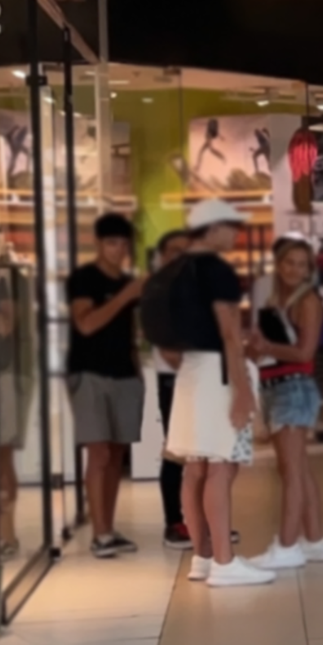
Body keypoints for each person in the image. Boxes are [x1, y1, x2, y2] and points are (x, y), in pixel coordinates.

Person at [154, 199, 273, 589]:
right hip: (219, 371)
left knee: (194, 468)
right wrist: (242, 389)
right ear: (213, 228)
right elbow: (228, 331)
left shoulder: (170, 272)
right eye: (231, 226)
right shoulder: (216, 271)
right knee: (221, 466)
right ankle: (224, 560)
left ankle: (202, 557)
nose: (236, 233)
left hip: (189, 372)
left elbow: (162, 340)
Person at [247, 236, 323, 570]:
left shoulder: (307, 301)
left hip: (293, 387)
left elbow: (304, 353)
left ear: (309, 269)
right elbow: (264, 348)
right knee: (297, 467)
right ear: (279, 265)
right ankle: (315, 541)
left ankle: (286, 545)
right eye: (289, 263)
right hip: (276, 385)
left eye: (301, 264)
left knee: (291, 470)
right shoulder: (274, 299)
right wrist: (256, 347)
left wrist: (266, 347)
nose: (294, 269)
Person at [66, 213, 146, 558]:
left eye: (124, 244)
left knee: (115, 453)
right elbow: (85, 325)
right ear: (98, 243)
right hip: (89, 373)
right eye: (112, 243)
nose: (119, 250)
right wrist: (126, 294)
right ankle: (99, 534)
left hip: (125, 373)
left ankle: (108, 529)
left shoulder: (131, 282)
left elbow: (132, 330)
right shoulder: (84, 279)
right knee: (97, 452)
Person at [148, 230, 193, 549]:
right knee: (177, 451)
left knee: (204, 452)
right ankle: (174, 523)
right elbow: (170, 352)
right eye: (174, 251)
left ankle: (203, 521)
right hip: (176, 381)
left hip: (196, 379)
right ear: (162, 255)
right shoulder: (158, 292)